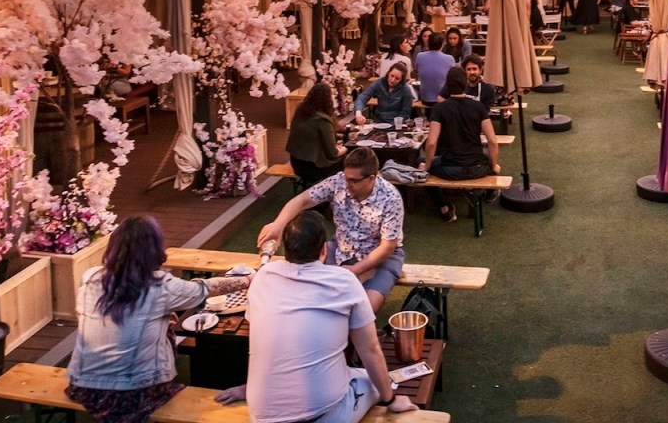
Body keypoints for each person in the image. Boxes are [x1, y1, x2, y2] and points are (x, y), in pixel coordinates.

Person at [215, 211, 418, 420]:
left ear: (286, 248)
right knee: (373, 381)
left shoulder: (263, 276)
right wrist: (391, 401)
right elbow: (370, 349)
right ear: (324, 250)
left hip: (262, 412)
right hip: (324, 414)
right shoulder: (344, 280)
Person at [67, 216, 252, 422]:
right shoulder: (160, 286)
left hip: (83, 385)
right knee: (168, 332)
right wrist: (248, 280)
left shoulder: (90, 277)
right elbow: (207, 288)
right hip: (134, 392)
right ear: (153, 249)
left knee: (164, 326)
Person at [258, 148, 404, 313]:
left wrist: (355, 270)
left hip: (380, 256)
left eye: (353, 181)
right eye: (346, 178)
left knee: (365, 310)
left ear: (371, 178)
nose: (347, 185)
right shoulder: (339, 181)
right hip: (342, 247)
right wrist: (278, 224)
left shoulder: (391, 198)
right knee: (310, 295)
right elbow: (302, 200)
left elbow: (387, 247)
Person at [419, 66, 500, 222]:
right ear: (465, 83)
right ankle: (488, 193)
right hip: (478, 168)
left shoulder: (439, 109)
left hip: (450, 168)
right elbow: (492, 141)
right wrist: (494, 165)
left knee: (419, 162)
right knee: (487, 156)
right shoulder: (479, 107)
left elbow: (431, 142)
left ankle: (444, 207)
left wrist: (428, 165)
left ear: (447, 86)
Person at [287, 82, 347, 189]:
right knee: (348, 160)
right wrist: (346, 149)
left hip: (296, 163)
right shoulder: (322, 120)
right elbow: (333, 153)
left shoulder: (301, 111)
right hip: (314, 168)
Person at [415, 32, 454, 106]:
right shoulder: (450, 58)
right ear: (442, 44)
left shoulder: (419, 56)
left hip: (424, 98)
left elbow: (417, 71)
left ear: (428, 43)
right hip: (443, 99)